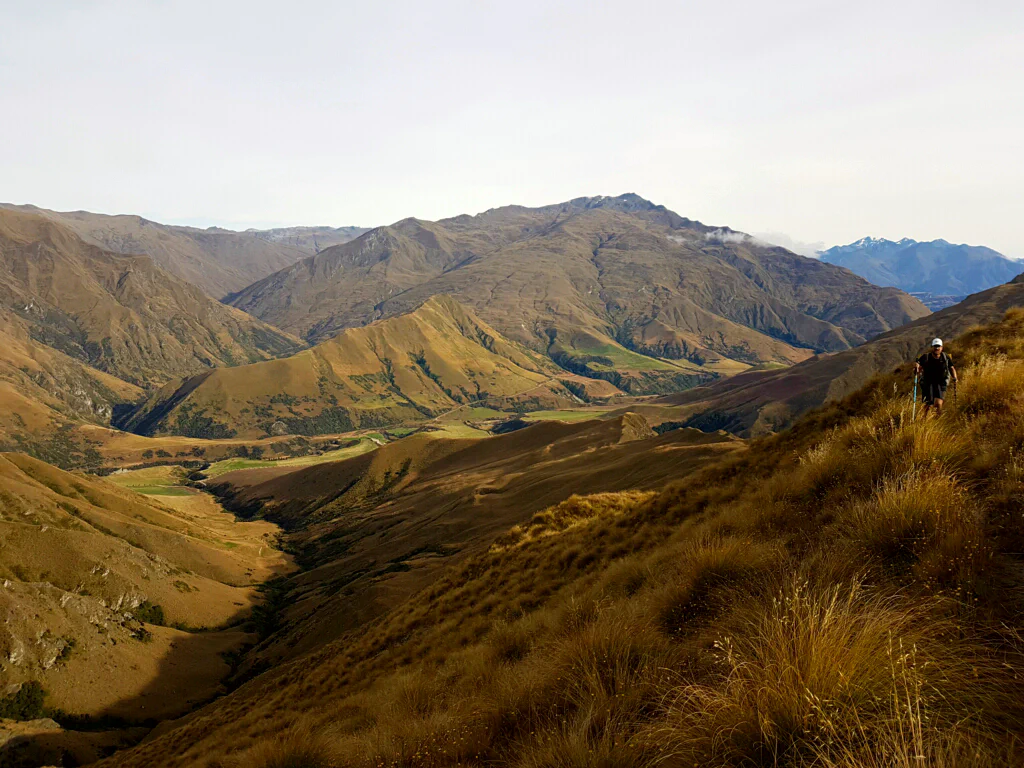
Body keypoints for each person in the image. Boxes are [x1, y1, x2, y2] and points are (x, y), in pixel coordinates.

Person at [914, 338, 957, 417]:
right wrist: (916, 368)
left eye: (938, 346)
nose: (937, 348)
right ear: (932, 347)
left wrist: (955, 378)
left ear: (942, 347)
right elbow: (918, 369)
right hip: (928, 383)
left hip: (941, 383)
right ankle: (924, 420)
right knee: (927, 404)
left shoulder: (945, 357)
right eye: (935, 346)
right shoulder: (925, 357)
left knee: (938, 403)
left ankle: (938, 419)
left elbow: (951, 368)